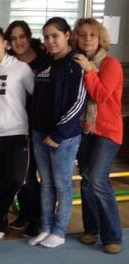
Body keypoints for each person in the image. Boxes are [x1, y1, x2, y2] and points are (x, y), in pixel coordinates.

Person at [28, 17, 86, 248]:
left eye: (55, 36)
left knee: (62, 184)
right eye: (47, 37)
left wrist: (59, 134)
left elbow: (78, 103)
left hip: (64, 136)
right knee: (47, 183)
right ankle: (46, 227)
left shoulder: (76, 63)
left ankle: (60, 231)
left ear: (67, 35)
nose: (51, 41)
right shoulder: (44, 63)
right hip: (40, 133)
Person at [73, 18, 123, 254]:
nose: (87, 39)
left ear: (100, 37)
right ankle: (91, 230)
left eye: (92, 35)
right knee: (86, 178)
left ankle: (112, 236)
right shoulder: (79, 62)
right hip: (85, 129)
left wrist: (89, 71)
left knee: (97, 178)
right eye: (82, 35)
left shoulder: (110, 64)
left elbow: (101, 96)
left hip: (108, 130)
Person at [0, 26, 35, 240]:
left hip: (17, 132)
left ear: (5, 44)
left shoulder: (21, 68)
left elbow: (37, 96)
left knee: (15, 178)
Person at [4, 20, 47, 236]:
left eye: (22, 37)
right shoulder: (8, 61)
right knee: (20, 174)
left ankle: (37, 218)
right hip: (15, 125)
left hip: (39, 125)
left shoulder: (44, 60)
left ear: (29, 37)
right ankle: (25, 214)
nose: (18, 41)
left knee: (32, 176)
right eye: (13, 38)